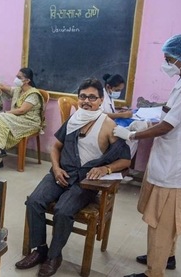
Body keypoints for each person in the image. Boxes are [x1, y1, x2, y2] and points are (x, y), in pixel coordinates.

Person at [16, 78, 131, 277]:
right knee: (34, 201)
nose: (87, 101)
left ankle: (54, 256)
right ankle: (40, 249)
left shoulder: (108, 125)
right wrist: (56, 168)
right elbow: (56, 147)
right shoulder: (75, 119)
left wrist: (106, 170)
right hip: (62, 172)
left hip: (85, 180)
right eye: (83, 96)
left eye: (92, 97)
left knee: (63, 210)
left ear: (101, 100)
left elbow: (125, 160)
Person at [117, 34, 181, 277]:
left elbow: (167, 126)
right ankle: (168, 256)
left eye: (168, 59)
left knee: (162, 222)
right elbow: (172, 111)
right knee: (167, 219)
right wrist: (157, 111)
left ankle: (153, 272)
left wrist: (132, 135)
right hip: (170, 159)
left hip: (174, 167)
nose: (165, 63)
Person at [0, 68, 45, 169]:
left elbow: (22, 111)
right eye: (16, 76)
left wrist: (6, 113)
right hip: (16, 119)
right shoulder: (18, 90)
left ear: (27, 80)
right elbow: (3, 87)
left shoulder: (33, 94)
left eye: (19, 77)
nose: (16, 79)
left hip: (29, 122)